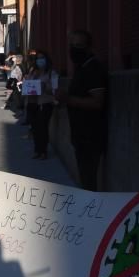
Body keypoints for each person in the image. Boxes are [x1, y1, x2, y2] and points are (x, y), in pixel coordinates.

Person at [54, 30, 107, 190]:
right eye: (72, 45)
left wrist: (68, 99)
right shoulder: (81, 68)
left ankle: (91, 212)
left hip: (91, 135)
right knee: (84, 178)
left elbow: (97, 102)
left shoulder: (93, 69)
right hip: (80, 134)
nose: (74, 49)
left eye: (79, 45)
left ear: (88, 47)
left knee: (89, 181)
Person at [23, 49, 58, 160]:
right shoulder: (33, 72)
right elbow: (28, 86)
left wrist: (45, 88)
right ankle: (37, 150)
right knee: (35, 128)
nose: (40, 60)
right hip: (33, 103)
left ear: (46, 59)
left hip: (46, 103)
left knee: (43, 127)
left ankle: (43, 151)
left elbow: (54, 90)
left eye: (42, 58)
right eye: (38, 58)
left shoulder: (52, 72)